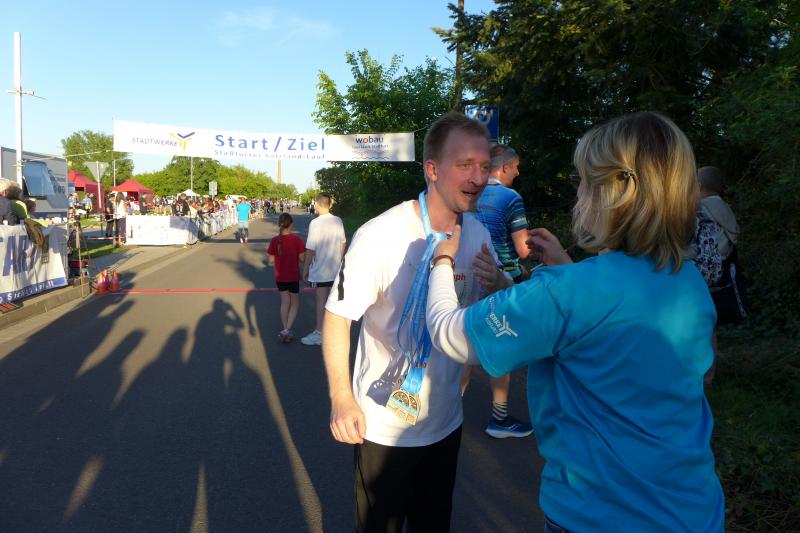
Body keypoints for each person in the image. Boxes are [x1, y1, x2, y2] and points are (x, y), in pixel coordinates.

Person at [425, 111, 724, 532]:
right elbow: (690, 365)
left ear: (612, 193)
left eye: (581, 180)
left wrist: (442, 260)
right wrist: (567, 268)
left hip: (598, 516)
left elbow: (450, 335)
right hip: (694, 511)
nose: (578, 192)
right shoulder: (687, 279)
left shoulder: (567, 292)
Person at [322, 112, 508, 532]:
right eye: (465, 165)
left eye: (484, 166)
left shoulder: (478, 235)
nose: (478, 177)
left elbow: (484, 312)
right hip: (383, 424)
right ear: (432, 169)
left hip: (445, 421)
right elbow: (337, 317)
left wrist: (500, 283)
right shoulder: (381, 234)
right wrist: (341, 398)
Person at [469, 143, 533, 439]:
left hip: (466, 274)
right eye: (516, 167)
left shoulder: (471, 190)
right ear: (505, 167)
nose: (518, 173)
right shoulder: (511, 197)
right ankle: (499, 418)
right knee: (500, 345)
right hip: (500, 279)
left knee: (464, 341)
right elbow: (522, 249)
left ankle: (445, 410)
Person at [300, 193, 346, 346]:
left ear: (317, 204)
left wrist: (305, 268)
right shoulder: (338, 220)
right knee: (334, 302)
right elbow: (343, 244)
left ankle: (320, 332)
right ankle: (334, 332)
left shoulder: (315, 223)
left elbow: (310, 249)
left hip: (321, 269)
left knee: (321, 301)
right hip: (335, 267)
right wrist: (340, 262)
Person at [267, 213, 306, 342]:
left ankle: (284, 328)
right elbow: (302, 259)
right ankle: (288, 329)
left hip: (280, 277)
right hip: (293, 276)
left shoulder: (274, 240)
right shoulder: (297, 240)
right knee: (295, 302)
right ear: (291, 224)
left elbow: (270, 261)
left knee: (285, 302)